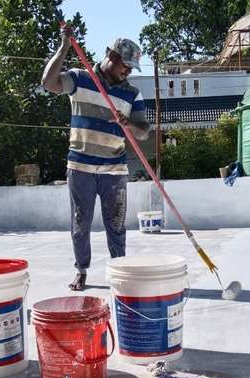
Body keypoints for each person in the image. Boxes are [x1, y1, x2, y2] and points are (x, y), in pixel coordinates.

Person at [42, 25, 150, 291]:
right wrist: (64, 47)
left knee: (116, 224)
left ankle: (119, 270)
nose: (128, 71)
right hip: (81, 167)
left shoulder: (132, 93)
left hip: (115, 170)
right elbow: (48, 83)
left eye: (131, 68)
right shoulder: (80, 79)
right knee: (80, 223)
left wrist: (129, 124)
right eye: (126, 65)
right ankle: (81, 270)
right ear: (111, 56)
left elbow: (144, 132)